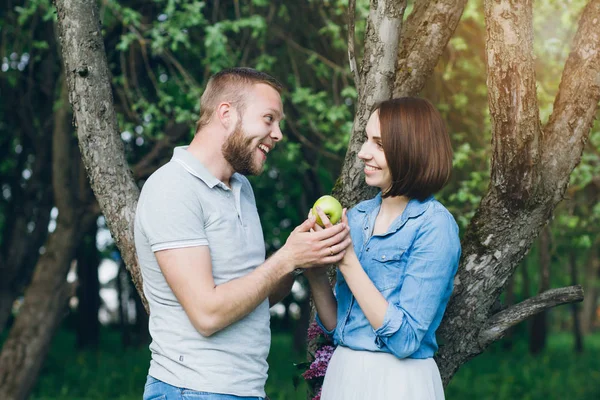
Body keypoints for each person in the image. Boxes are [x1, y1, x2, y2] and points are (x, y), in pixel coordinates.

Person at [134, 67, 351, 400]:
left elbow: (258, 297)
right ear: (226, 113)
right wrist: (287, 257)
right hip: (191, 390)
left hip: (244, 390)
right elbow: (208, 314)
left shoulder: (241, 188)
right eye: (268, 119)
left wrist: (301, 256)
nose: (277, 134)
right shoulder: (172, 188)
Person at [307, 97, 461, 399]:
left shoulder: (434, 227)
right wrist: (314, 268)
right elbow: (339, 327)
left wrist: (348, 261)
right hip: (344, 374)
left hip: (397, 382)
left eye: (379, 144)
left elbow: (405, 340)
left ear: (410, 149)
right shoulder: (359, 216)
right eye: (366, 140)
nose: (363, 153)